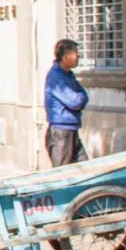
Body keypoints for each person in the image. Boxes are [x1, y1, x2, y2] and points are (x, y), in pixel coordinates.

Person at [44, 38, 89, 166]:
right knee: (62, 173)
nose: (78, 56)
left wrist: (80, 97)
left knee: (86, 168)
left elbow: (83, 96)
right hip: (61, 133)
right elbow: (75, 102)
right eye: (75, 53)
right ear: (65, 57)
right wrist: (80, 97)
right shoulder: (56, 77)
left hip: (72, 129)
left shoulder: (68, 75)